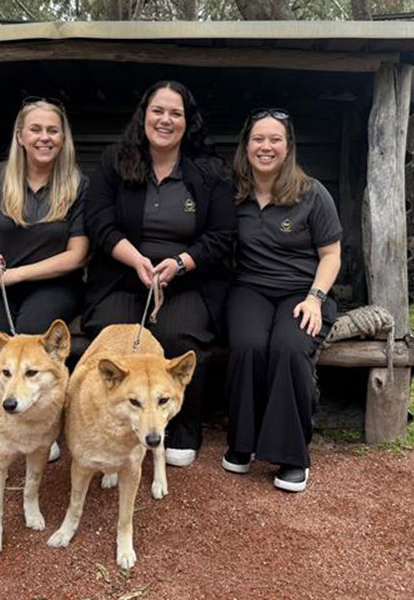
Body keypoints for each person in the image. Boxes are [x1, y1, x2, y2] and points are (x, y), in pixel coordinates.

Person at [83, 80, 235, 467]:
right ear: (143, 116)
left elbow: (222, 236)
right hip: (122, 273)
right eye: (158, 111)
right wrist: (135, 259)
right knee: (114, 338)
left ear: (188, 121)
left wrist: (181, 263)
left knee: (177, 338)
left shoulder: (210, 171)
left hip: (188, 281)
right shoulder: (115, 161)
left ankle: (181, 429)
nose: (165, 120)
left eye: (175, 113)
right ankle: (107, 428)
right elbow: (98, 221)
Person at [0, 98, 89, 463]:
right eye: (36, 129)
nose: (45, 137)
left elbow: (77, 255)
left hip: (53, 283)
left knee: (31, 337)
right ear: (20, 136)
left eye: (53, 130)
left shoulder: (78, 185)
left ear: (63, 138)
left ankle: (39, 429)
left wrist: (18, 275)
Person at [222, 108, 342, 492]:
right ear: (246, 146)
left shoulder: (312, 193)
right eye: (258, 138)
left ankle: (292, 455)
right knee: (248, 345)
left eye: (275, 139)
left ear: (288, 147)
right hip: (251, 288)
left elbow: (331, 255)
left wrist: (315, 298)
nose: (266, 146)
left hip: (302, 292)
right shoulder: (233, 193)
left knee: (289, 347)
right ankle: (242, 443)